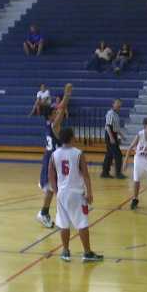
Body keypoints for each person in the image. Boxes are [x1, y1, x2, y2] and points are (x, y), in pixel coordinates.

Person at [48, 126, 103, 262]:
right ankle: (87, 252)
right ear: (72, 137)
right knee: (82, 224)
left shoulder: (54, 154)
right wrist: (89, 192)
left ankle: (65, 252)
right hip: (76, 193)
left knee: (64, 223)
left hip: (62, 192)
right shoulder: (78, 153)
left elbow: (50, 175)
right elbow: (85, 173)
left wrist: (56, 191)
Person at [36, 83, 73, 228]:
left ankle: (49, 212)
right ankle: (44, 212)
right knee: (53, 188)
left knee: (54, 188)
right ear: (51, 116)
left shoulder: (48, 126)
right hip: (52, 158)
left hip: (52, 158)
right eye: (55, 113)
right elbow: (62, 108)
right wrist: (67, 94)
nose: (57, 114)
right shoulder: (53, 125)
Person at [101, 98, 127, 179]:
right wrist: (111, 137)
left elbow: (116, 128)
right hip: (110, 135)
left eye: (120, 103)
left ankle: (104, 172)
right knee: (118, 154)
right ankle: (118, 173)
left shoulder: (116, 114)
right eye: (117, 103)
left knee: (109, 155)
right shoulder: (110, 114)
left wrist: (122, 136)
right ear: (113, 104)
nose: (119, 104)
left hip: (113, 134)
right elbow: (108, 126)